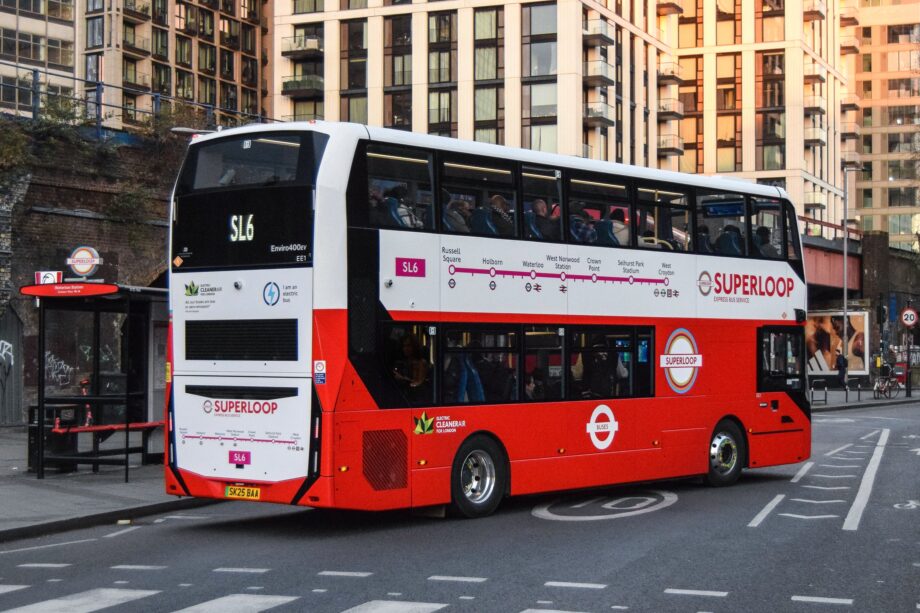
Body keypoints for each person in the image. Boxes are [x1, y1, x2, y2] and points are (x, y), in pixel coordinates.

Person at [392, 334, 430, 402]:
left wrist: (401, 378)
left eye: (408, 346)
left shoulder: (421, 362)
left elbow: (417, 382)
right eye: (404, 346)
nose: (405, 349)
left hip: (417, 398)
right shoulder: (403, 362)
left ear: (414, 347)